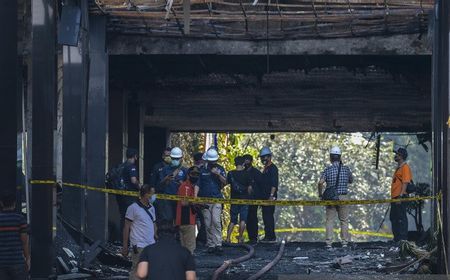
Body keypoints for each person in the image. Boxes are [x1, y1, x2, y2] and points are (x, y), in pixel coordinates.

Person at [318, 146, 353, 249]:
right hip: (343, 197)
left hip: (331, 198)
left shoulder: (328, 170)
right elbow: (351, 180)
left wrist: (320, 194)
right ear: (340, 157)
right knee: (344, 220)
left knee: (329, 220)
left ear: (330, 157)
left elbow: (320, 183)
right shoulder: (346, 169)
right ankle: (344, 243)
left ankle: (329, 243)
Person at [122, 185, 157, 280]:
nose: (154, 196)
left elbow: (153, 225)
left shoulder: (152, 208)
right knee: (137, 270)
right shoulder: (133, 208)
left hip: (151, 245)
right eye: (152, 193)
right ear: (146, 194)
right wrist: (125, 246)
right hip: (138, 245)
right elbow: (126, 227)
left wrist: (156, 238)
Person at [197, 148, 227, 254]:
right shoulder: (202, 171)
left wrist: (218, 174)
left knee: (216, 221)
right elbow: (197, 185)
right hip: (205, 200)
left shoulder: (220, 169)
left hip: (217, 198)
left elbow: (225, 182)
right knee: (207, 222)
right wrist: (196, 198)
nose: (213, 163)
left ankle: (218, 243)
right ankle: (211, 244)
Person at [0, 192, 30, 280]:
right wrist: (27, 258)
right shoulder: (20, 219)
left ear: (1, 203)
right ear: (14, 203)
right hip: (17, 262)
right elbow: (24, 242)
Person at [226, 156, 252, 243]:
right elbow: (249, 188)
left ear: (235, 163)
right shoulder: (247, 174)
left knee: (232, 220)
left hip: (234, 200)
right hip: (244, 200)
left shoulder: (230, 173)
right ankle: (240, 238)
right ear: (243, 163)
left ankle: (228, 238)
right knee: (243, 220)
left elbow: (226, 183)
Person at [157, 147, 187, 222]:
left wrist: (182, 184)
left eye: (177, 159)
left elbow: (188, 186)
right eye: (173, 159)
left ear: (181, 158)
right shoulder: (165, 169)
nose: (175, 161)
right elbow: (159, 184)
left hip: (180, 199)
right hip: (167, 198)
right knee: (168, 219)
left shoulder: (184, 170)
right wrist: (166, 179)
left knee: (179, 220)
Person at [176, 166, 200, 254]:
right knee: (190, 248)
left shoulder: (191, 187)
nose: (195, 176)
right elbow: (184, 202)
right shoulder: (186, 186)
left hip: (189, 219)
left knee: (185, 248)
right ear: (188, 175)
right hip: (186, 219)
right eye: (193, 174)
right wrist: (195, 203)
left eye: (197, 174)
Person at [390, 147, 412, 242]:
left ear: (401, 156)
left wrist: (401, 196)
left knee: (401, 218)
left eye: (397, 154)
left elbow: (405, 182)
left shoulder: (405, 167)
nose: (396, 155)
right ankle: (397, 238)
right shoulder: (398, 168)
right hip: (395, 197)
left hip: (400, 196)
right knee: (394, 218)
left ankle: (403, 239)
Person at [117, 148, 142, 232]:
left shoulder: (122, 166)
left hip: (121, 196)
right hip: (130, 197)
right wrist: (141, 188)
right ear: (135, 156)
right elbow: (133, 180)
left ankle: (122, 239)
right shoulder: (131, 166)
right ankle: (130, 240)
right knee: (131, 218)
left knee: (123, 217)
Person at [259, 147, 279, 243]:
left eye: (265, 157)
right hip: (264, 196)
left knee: (269, 216)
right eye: (262, 157)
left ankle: (271, 237)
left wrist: (271, 195)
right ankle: (268, 236)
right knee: (265, 216)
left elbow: (274, 184)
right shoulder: (265, 169)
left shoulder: (273, 168)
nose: (263, 159)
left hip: (270, 197)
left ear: (270, 157)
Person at [243, 154, 262, 244]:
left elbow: (261, 185)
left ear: (251, 161)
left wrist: (258, 197)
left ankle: (253, 238)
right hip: (244, 199)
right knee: (246, 218)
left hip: (254, 199)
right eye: (245, 160)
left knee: (253, 217)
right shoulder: (242, 172)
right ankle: (249, 237)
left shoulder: (256, 173)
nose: (246, 162)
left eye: (248, 160)